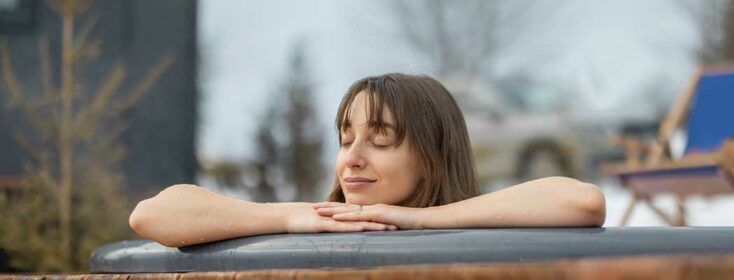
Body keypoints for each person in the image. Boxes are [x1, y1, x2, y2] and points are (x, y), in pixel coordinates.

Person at [129, 73, 606, 247]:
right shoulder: (323, 222)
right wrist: (293, 218)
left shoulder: (476, 229)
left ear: (433, 155)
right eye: (346, 139)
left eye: (381, 141)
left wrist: (417, 221)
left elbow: (582, 202)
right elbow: (151, 214)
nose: (353, 159)